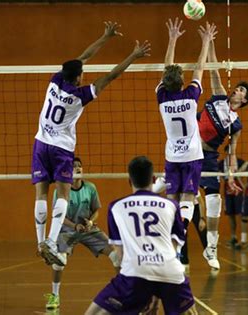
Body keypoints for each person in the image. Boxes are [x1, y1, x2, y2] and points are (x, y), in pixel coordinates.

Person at [33, 22, 151, 266]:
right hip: (61, 148)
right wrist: (133, 55)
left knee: (41, 194)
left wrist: (104, 36)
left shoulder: (55, 80)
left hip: (40, 142)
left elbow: (83, 57)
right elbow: (111, 76)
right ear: (78, 77)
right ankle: (52, 241)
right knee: (63, 194)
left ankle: (40, 241)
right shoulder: (79, 96)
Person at [85, 156, 197, 315]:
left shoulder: (116, 207)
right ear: (153, 179)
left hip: (135, 271)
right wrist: (156, 292)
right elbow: (173, 248)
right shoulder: (172, 205)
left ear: (130, 180)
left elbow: (120, 255)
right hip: (170, 271)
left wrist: (132, 290)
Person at [197, 26, 248, 270]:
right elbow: (214, 69)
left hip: (208, 156)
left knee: (215, 201)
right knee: (175, 195)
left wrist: (230, 177)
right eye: (237, 87)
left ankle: (212, 247)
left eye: (242, 90)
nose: (237, 90)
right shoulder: (218, 96)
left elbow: (231, 153)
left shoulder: (236, 124)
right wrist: (210, 42)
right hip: (187, 149)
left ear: (244, 101)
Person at [156, 18, 216, 229]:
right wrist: (206, 41)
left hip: (172, 155)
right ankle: (180, 237)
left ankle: (170, 231)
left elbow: (167, 69)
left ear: (165, 82)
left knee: (172, 195)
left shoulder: (161, 97)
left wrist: (172, 39)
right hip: (192, 155)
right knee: (189, 196)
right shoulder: (191, 96)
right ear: (183, 82)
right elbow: (200, 68)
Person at [45, 157, 120, 310]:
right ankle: (54, 295)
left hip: (88, 230)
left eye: (80, 166)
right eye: (74, 167)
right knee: (59, 262)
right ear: (68, 171)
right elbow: (58, 216)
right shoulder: (60, 190)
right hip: (67, 230)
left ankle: (122, 294)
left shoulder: (90, 188)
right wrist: (75, 225)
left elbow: (96, 210)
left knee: (116, 255)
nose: (78, 168)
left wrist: (91, 222)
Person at [219, 146, 245, 248]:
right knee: (230, 214)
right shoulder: (221, 163)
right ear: (225, 152)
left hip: (238, 187)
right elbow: (220, 177)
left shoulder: (240, 161)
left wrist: (244, 185)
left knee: (240, 213)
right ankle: (233, 236)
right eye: (228, 151)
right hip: (227, 189)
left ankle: (242, 238)